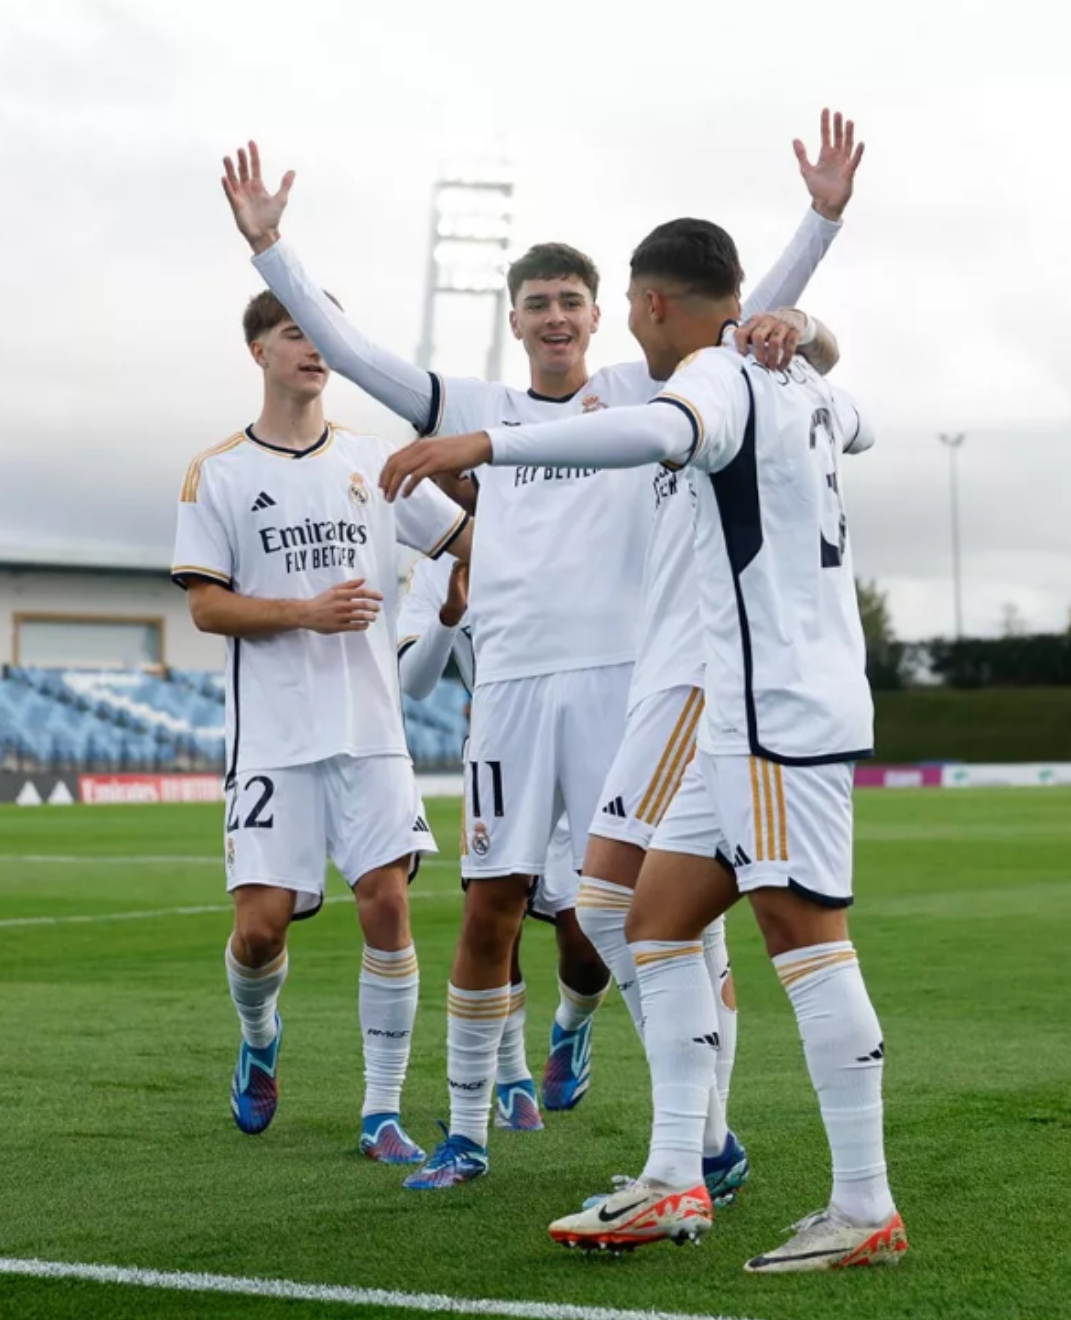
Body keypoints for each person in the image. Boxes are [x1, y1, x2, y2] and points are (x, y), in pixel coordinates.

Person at [223, 116, 852, 1194]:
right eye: (538, 304)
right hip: (510, 691)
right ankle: (467, 1128)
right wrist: (270, 250)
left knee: (652, 926)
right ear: (514, 321)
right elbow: (358, 353)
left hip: (629, 688)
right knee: (489, 907)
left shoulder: (645, 390)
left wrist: (822, 221)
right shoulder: (474, 407)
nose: (556, 317)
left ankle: (702, 1134)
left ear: (604, 315)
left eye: (573, 302)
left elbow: (737, 317)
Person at [382, 215, 904, 1272]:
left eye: (623, 303)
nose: (620, 323)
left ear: (654, 305)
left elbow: (653, 434)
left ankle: (864, 1204)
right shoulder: (801, 386)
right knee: (644, 918)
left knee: (804, 938)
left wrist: (489, 442)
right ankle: (677, 1174)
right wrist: (809, 330)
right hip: (736, 704)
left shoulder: (711, 382)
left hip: (769, 708)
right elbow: (863, 423)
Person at [172, 289, 474, 1170]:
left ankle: (381, 1110)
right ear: (259, 351)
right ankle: (260, 1035)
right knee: (262, 930)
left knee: (388, 903)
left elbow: (468, 538)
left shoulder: (377, 462)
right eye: (296, 332)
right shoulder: (216, 472)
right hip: (270, 737)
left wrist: (474, 563)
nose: (315, 349)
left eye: (324, 335)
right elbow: (205, 607)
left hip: (372, 729)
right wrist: (306, 611)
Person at [395, 555, 595, 1132]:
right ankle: (512, 1083)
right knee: (493, 924)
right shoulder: (436, 562)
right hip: (501, 756)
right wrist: (450, 614)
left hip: (581, 743)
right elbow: (414, 680)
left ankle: (573, 1023)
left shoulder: (563, 515)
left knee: (587, 940)